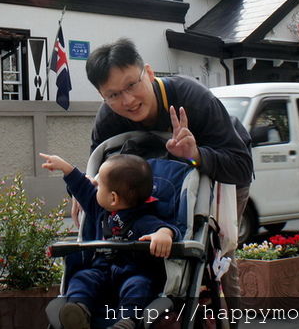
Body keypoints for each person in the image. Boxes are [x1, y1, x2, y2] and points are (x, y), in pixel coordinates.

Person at [85, 38, 253, 305]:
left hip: (218, 171)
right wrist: (82, 189)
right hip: (149, 184)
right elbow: (98, 165)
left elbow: (241, 167)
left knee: (217, 251)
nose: (127, 100)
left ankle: (227, 314)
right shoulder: (109, 117)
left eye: (132, 84)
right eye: (113, 94)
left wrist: (195, 155)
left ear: (149, 73)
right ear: (102, 96)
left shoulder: (192, 99)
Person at [40, 152, 178, 329]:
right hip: (101, 270)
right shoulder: (99, 209)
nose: (95, 188)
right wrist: (64, 167)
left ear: (113, 197)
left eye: (100, 186)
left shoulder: (142, 219)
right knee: (82, 278)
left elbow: (164, 227)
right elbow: (82, 186)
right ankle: (78, 310)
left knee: (140, 286)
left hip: (131, 272)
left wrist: (164, 234)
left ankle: (126, 321)